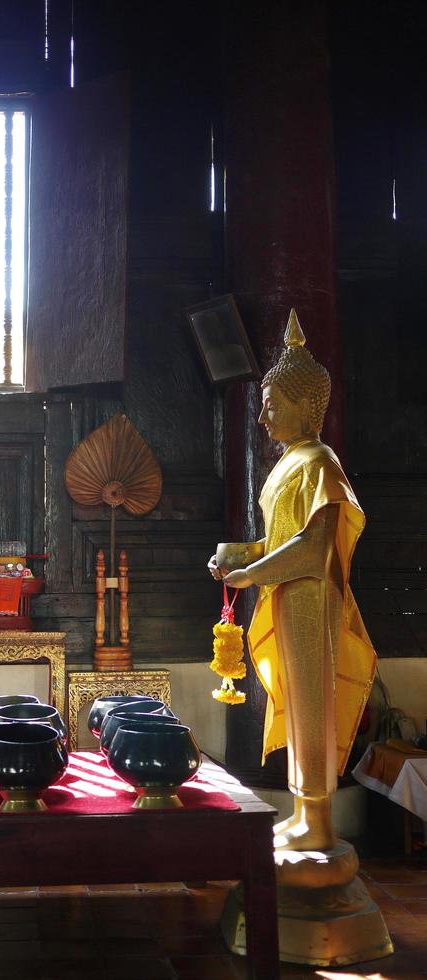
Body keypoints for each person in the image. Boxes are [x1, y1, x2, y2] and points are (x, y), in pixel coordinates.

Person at [209, 310, 376, 851]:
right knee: (292, 701)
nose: (262, 416)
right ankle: (305, 813)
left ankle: (320, 821)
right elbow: (281, 538)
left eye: (272, 404)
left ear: (307, 407)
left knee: (312, 705)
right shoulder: (287, 464)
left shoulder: (320, 462)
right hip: (286, 601)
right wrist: (240, 556)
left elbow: (312, 549)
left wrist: (251, 572)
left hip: (309, 602)